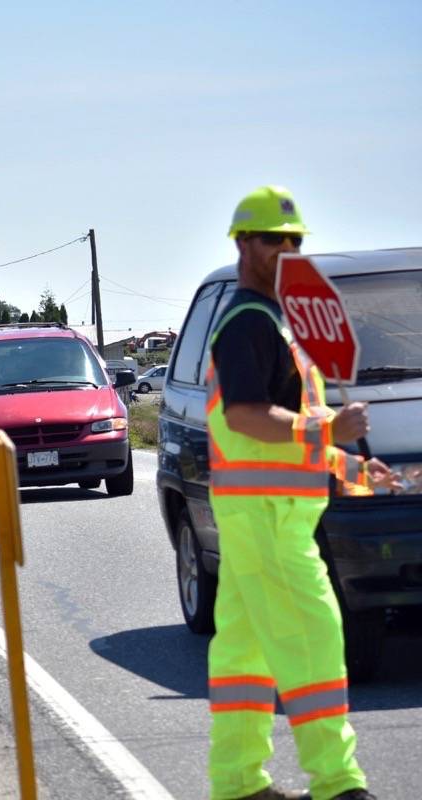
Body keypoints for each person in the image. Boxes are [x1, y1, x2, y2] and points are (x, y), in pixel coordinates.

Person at [204, 186, 401, 800]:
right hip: (268, 518)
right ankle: (338, 784)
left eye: (295, 240)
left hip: (263, 512)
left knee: (246, 651)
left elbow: (288, 435)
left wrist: (357, 470)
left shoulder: (277, 324)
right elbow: (244, 417)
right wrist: (328, 429)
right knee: (315, 638)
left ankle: (237, 783)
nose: (286, 249)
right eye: (273, 239)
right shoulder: (249, 322)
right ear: (243, 244)